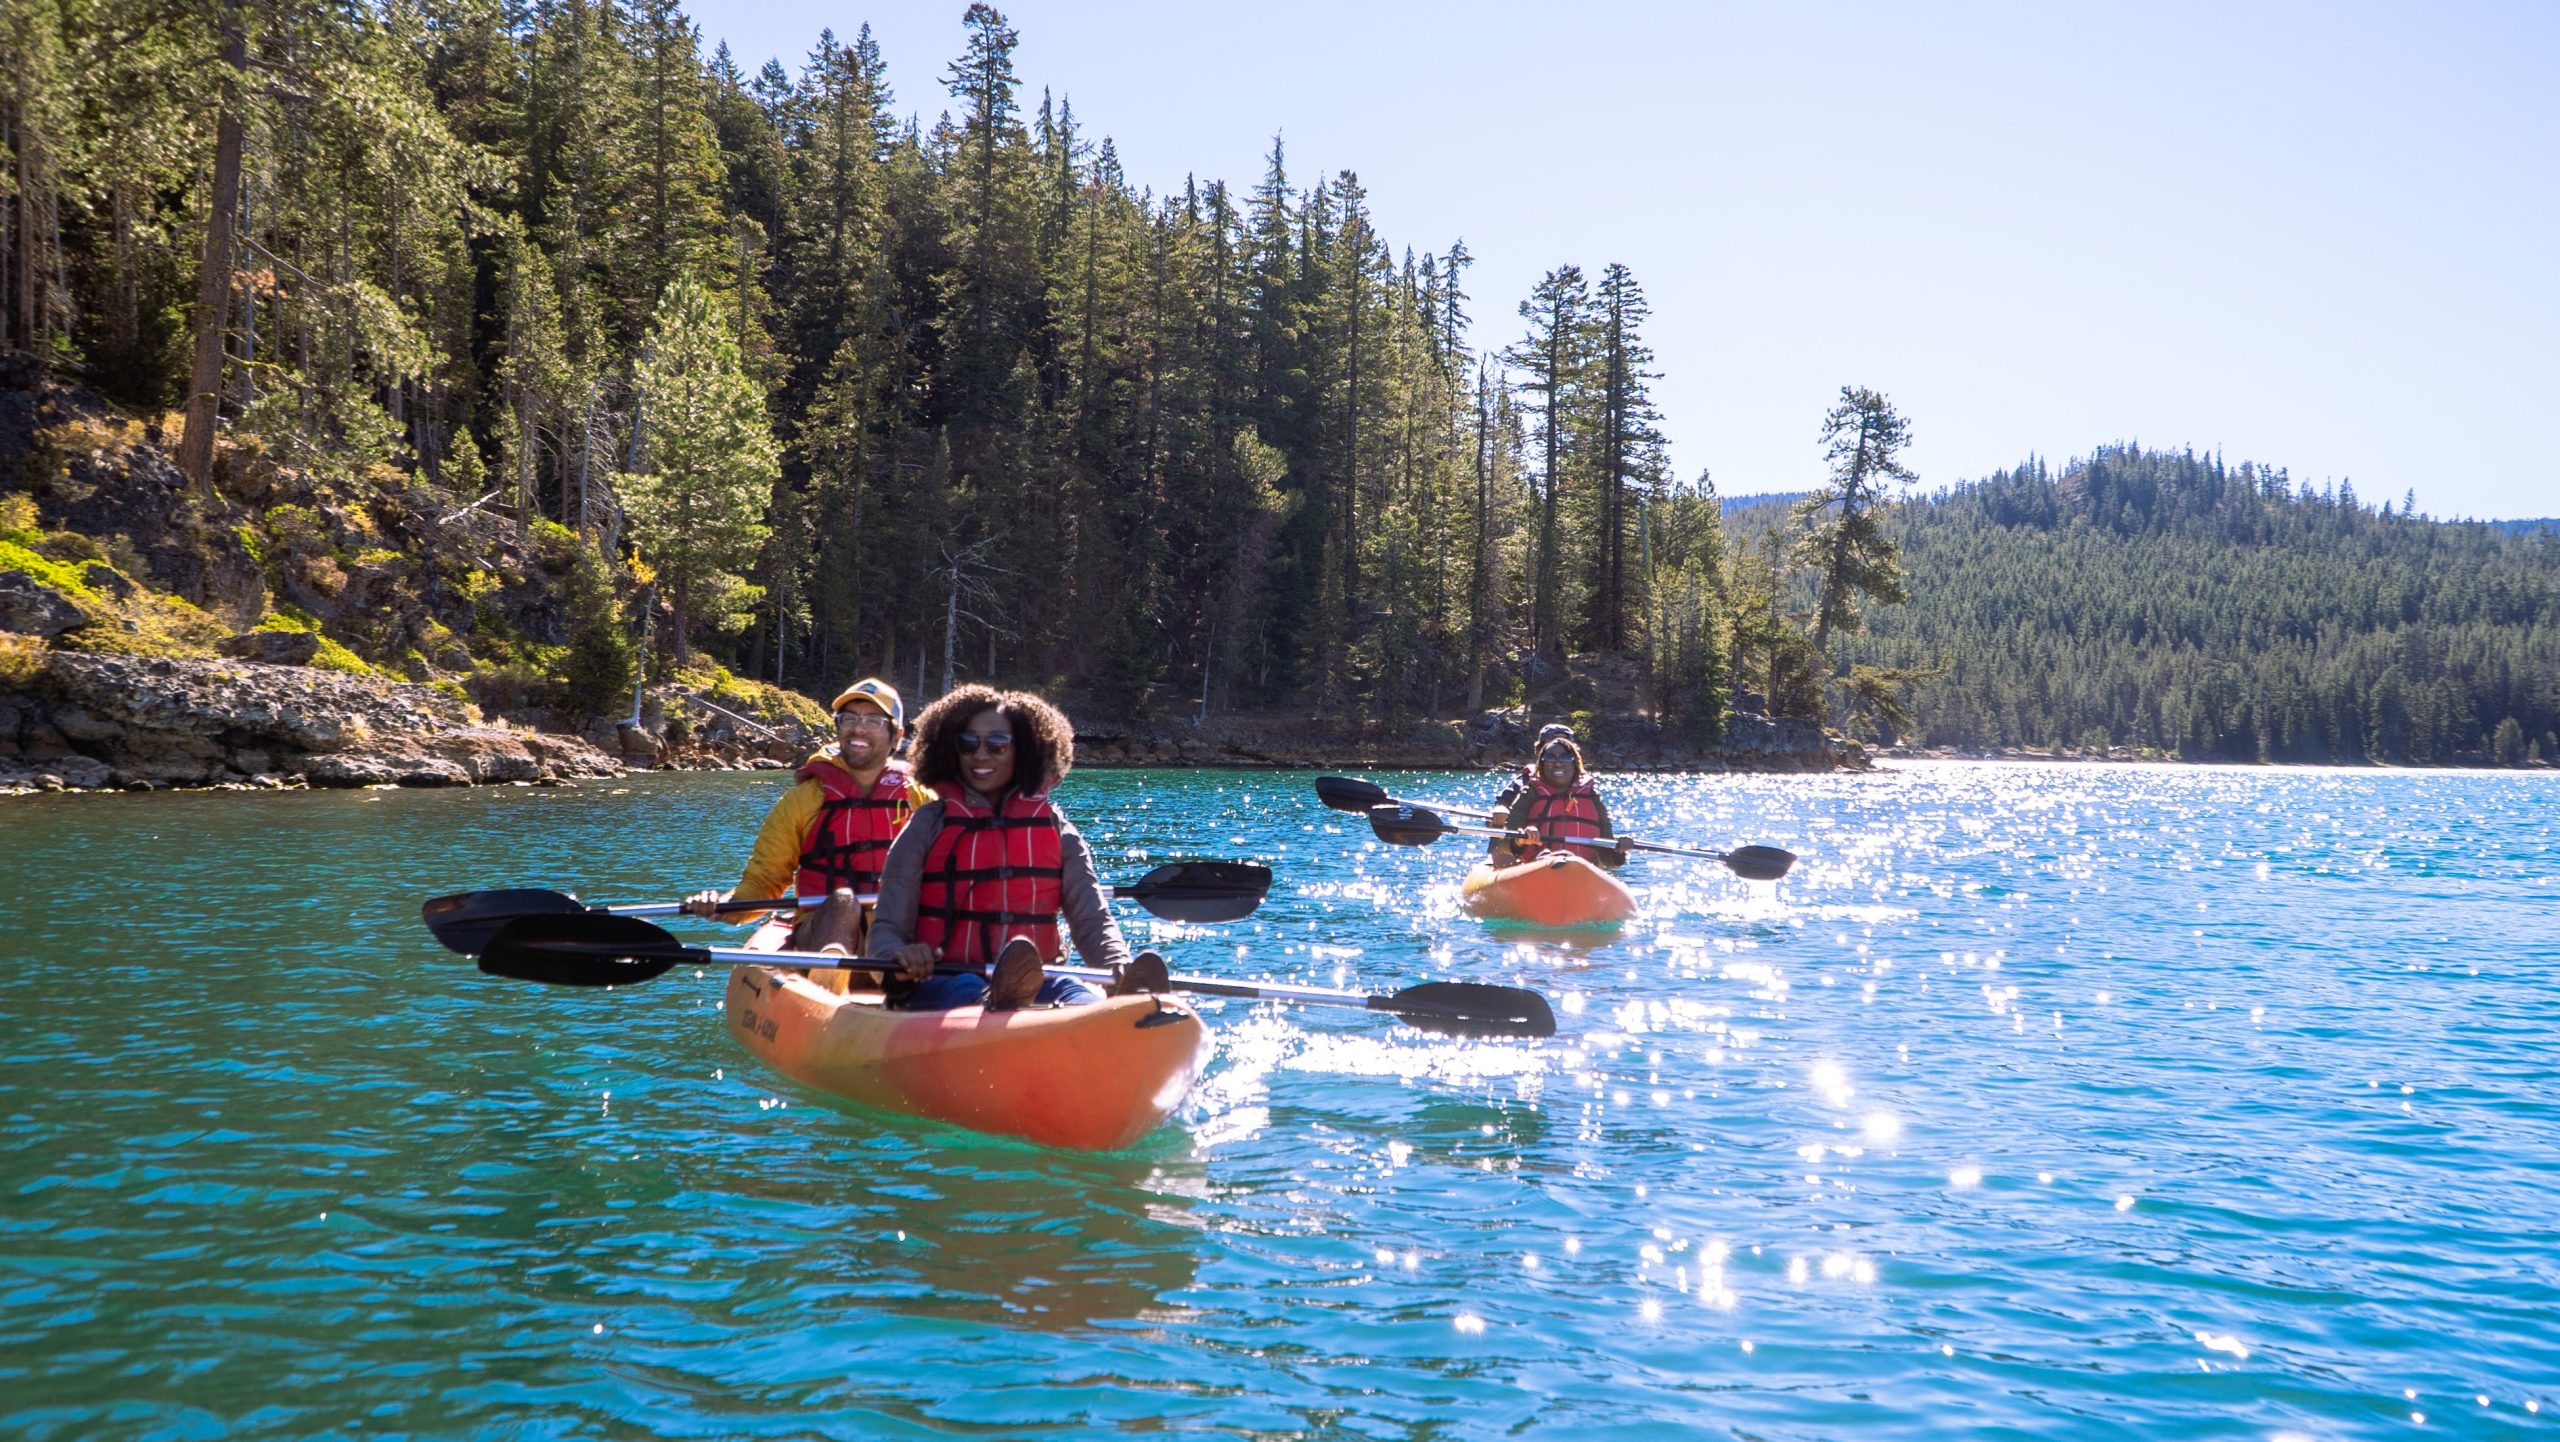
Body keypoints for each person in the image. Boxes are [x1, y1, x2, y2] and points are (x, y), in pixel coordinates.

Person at [865, 684, 1170, 1011]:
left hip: (1037, 980)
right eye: (968, 743)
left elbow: (1092, 919)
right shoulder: (927, 825)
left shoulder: (1057, 829)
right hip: (942, 979)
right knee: (966, 987)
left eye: (997, 744)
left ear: (1023, 750)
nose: (980, 755)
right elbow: (887, 927)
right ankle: (1001, 1008)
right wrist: (897, 956)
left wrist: (1118, 965)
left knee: (1077, 993)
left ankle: (1124, 1009)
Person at [681, 678, 932, 973]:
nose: (858, 728)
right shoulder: (803, 801)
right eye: (849, 719)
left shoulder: (921, 799)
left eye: (874, 720)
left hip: (896, 933)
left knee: (890, 911)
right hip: (820, 934)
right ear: (838, 728)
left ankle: (895, 985)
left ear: (896, 736)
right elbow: (764, 883)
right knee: (842, 902)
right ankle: (830, 975)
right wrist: (720, 905)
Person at [1486, 723, 1630, 869]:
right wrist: (1520, 837)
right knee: (1499, 823)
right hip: (1537, 863)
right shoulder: (1529, 786)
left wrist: (1619, 850)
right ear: (1539, 752)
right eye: (1549, 755)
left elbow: (1611, 857)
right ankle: (1501, 871)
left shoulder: (1589, 793)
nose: (1558, 762)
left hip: (1582, 869)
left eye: (1566, 755)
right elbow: (1505, 809)